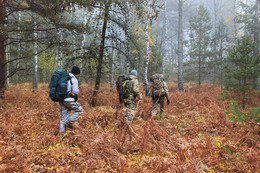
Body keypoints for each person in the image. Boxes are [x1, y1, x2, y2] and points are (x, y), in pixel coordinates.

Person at [59, 66, 83, 137]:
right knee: (80, 110)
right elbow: (75, 91)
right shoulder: (74, 79)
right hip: (69, 100)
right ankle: (69, 123)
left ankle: (61, 136)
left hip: (61, 100)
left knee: (63, 118)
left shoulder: (64, 77)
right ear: (77, 74)